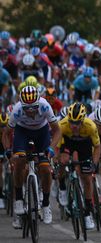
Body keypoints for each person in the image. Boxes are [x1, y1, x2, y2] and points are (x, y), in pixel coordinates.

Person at [2, 86, 62, 227]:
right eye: (26, 108)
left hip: (42, 132)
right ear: (21, 104)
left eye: (33, 107)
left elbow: (57, 130)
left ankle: (46, 205)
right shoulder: (17, 110)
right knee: (20, 160)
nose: (30, 111)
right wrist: (8, 151)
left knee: (46, 169)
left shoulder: (45, 106)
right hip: (22, 132)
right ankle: (18, 200)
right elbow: (6, 134)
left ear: (38, 102)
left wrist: (51, 149)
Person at [56, 102, 101, 230]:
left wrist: (95, 163)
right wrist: (57, 160)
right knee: (63, 161)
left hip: (84, 144)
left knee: (87, 179)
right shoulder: (62, 125)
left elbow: (97, 147)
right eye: (71, 122)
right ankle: (63, 187)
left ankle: (87, 212)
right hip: (67, 142)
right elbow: (57, 147)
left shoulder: (90, 126)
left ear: (83, 120)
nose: (74, 126)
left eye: (77, 123)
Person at [0, 112, 9, 209]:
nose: (3, 129)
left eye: (5, 126)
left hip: (9, 145)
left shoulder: (11, 130)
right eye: (1, 126)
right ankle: (0, 195)